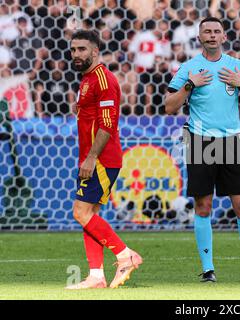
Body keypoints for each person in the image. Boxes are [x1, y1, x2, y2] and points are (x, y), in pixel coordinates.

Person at [165, 17, 240, 283]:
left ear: (224, 37)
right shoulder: (189, 68)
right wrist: (190, 84)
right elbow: (170, 106)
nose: (212, 35)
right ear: (199, 37)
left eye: (217, 31)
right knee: (203, 206)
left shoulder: (236, 66)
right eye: (207, 31)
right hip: (200, 142)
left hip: (230, 142)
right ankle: (208, 270)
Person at [66, 30, 142, 290]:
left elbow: (107, 125)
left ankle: (125, 255)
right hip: (91, 158)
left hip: (100, 159)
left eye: (82, 49)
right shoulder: (87, 78)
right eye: (74, 49)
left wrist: (90, 158)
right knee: (90, 214)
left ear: (95, 51)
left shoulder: (104, 80)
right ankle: (96, 276)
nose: (76, 54)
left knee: (80, 212)